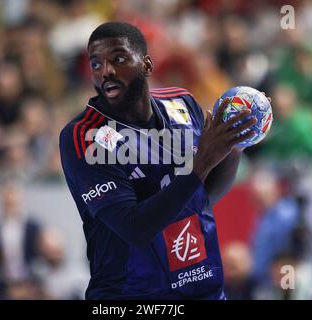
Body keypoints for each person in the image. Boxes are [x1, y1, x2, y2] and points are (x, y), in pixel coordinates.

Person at [59, 22, 258, 299]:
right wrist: (202, 162)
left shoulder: (183, 103)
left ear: (147, 66)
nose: (106, 71)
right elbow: (135, 228)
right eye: (96, 64)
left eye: (118, 59)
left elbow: (202, 197)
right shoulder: (85, 136)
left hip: (202, 287)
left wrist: (233, 143)